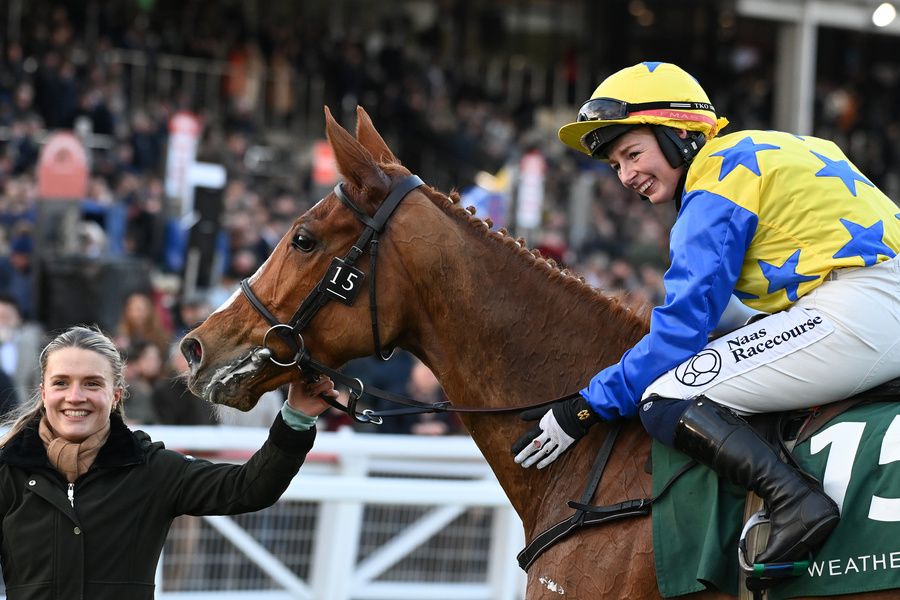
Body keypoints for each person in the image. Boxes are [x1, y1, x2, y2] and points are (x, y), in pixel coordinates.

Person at [512, 61, 900, 566]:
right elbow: (733, 309)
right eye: (615, 166)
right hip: (869, 299)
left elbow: (680, 335)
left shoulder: (717, 180)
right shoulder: (774, 146)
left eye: (633, 154)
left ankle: (797, 504)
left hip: (866, 306)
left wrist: (585, 406)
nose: (627, 176)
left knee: (665, 397)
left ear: (680, 134)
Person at [0, 325, 338, 599]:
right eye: (62, 383)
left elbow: (248, 488)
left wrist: (296, 419)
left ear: (116, 393)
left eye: (92, 383)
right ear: (44, 391)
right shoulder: (7, 471)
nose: (75, 396)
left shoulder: (152, 468)